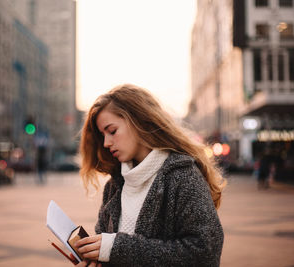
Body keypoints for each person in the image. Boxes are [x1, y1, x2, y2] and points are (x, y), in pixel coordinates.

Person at [75, 84, 226, 267]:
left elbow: (205, 253)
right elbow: (111, 253)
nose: (106, 142)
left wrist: (116, 248)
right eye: (103, 135)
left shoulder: (183, 176)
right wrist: (97, 260)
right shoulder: (114, 186)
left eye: (112, 131)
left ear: (138, 120)